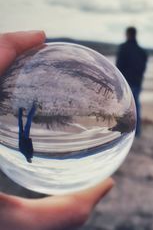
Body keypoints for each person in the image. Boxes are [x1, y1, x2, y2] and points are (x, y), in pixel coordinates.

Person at [0, 31, 114, 230]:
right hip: (23, 136)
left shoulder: (27, 156)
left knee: (23, 124)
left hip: (22, 137)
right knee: (23, 123)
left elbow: (25, 143)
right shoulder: (26, 156)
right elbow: (25, 142)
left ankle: (28, 110)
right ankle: (29, 110)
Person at [116, 27, 148, 137]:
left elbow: (119, 68)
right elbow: (143, 69)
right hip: (137, 82)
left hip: (125, 83)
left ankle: (124, 132)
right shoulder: (142, 52)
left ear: (127, 34)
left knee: (124, 107)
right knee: (136, 107)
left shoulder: (123, 48)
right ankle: (137, 131)